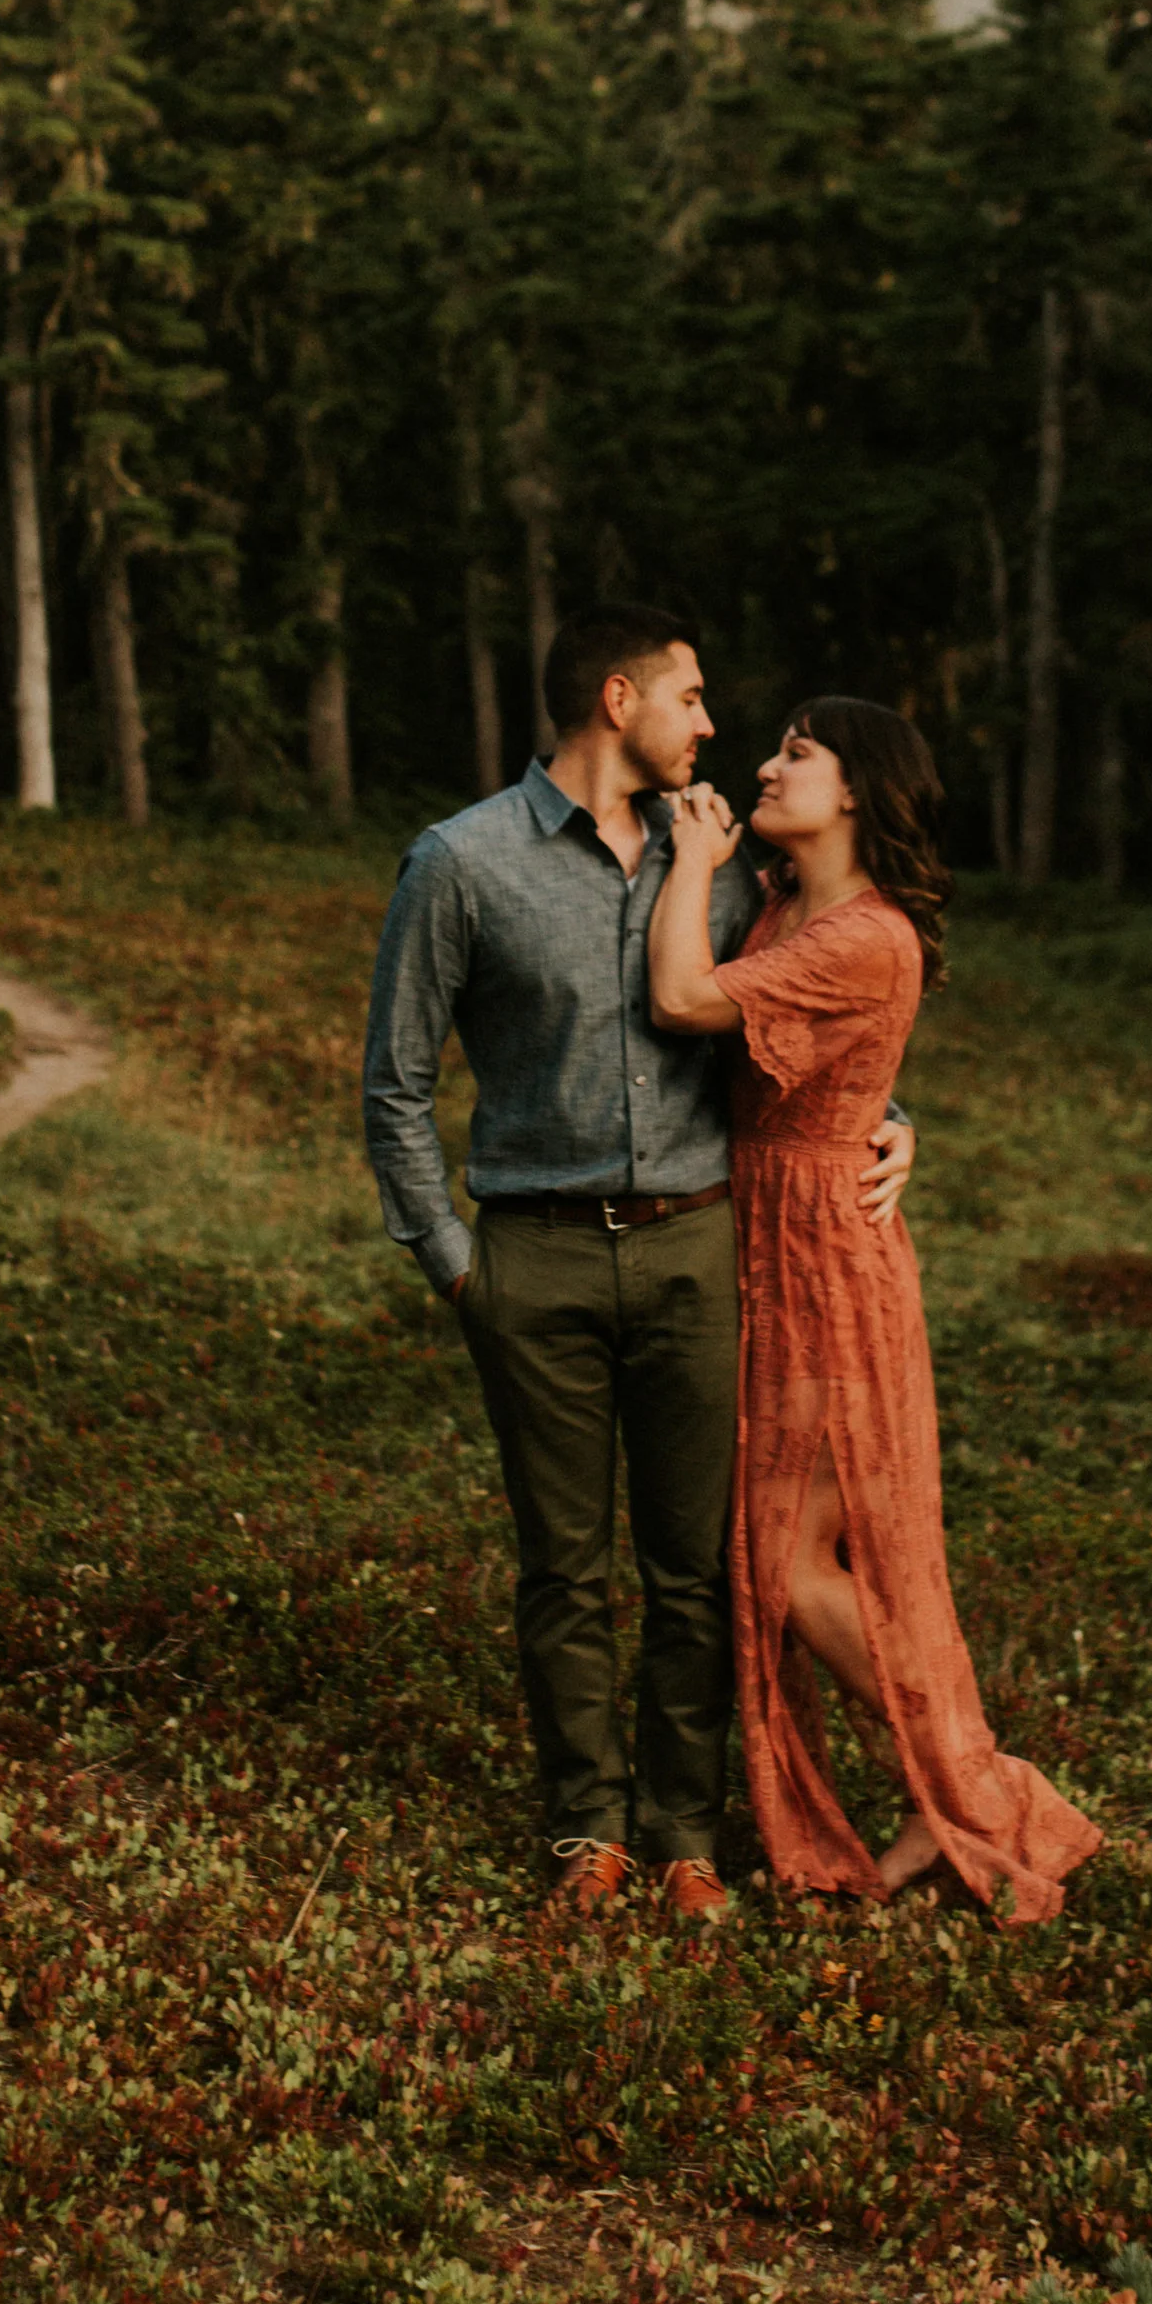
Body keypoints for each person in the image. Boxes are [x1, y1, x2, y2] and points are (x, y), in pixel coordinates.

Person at [360, 605, 917, 1920]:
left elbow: (814, 1018)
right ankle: (587, 1830)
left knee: (696, 1565)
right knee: (561, 1566)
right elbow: (394, 1086)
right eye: (692, 697)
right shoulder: (459, 863)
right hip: (532, 1261)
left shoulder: (724, 865)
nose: (712, 725)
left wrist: (893, 1117)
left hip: (697, 1251)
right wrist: (457, 1267)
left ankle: (681, 1835)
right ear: (620, 700)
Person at [648, 697, 1102, 1921]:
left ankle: (973, 1794)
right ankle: (947, 1796)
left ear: (856, 789)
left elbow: (684, 1002)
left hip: (824, 1266)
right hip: (763, 1233)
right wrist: (895, 1120)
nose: (764, 764)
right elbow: (841, 1070)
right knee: (791, 1553)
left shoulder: (867, 934)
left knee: (792, 1562)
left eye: (797, 753)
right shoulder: (785, 900)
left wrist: (687, 858)